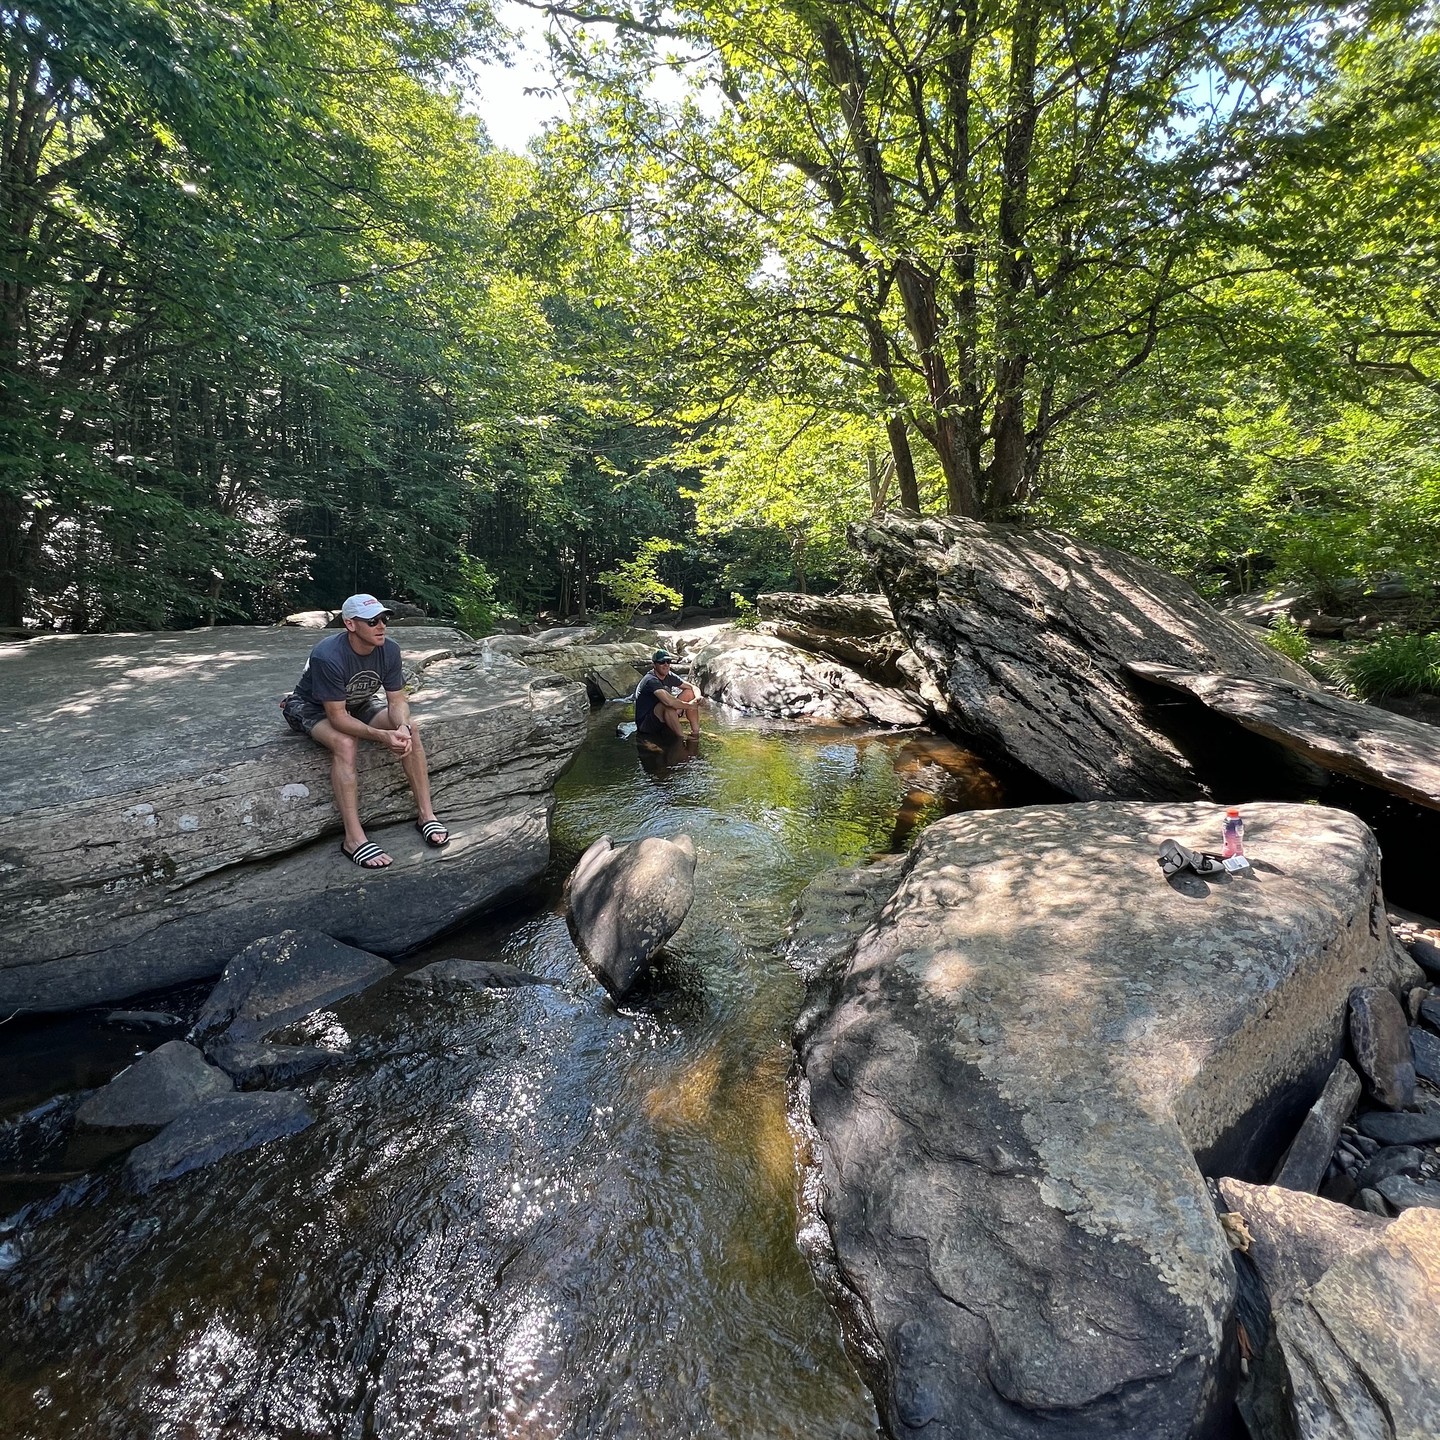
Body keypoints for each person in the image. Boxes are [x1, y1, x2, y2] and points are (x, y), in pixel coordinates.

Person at [281, 594, 449, 869]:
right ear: (350, 624)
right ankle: (354, 839)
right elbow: (337, 718)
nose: (381, 626)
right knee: (346, 743)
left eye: (384, 619)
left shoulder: (390, 650)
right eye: (372, 621)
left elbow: (397, 700)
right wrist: (383, 736)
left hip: (357, 702)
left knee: (411, 729)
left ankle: (426, 815)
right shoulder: (328, 655)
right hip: (312, 707)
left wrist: (402, 728)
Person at [634, 649, 703, 740]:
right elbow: (668, 702)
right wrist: (690, 706)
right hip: (646, 724)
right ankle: (681, 737)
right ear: (654, 665)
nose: (666, 664)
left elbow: (693, 687)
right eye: (662, 662)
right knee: (667, 705)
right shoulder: (650, 680)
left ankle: (695, 731)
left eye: (668, 661)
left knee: (689, 693)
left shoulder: (669, 675)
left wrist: (698, 698)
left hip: (662, 717)